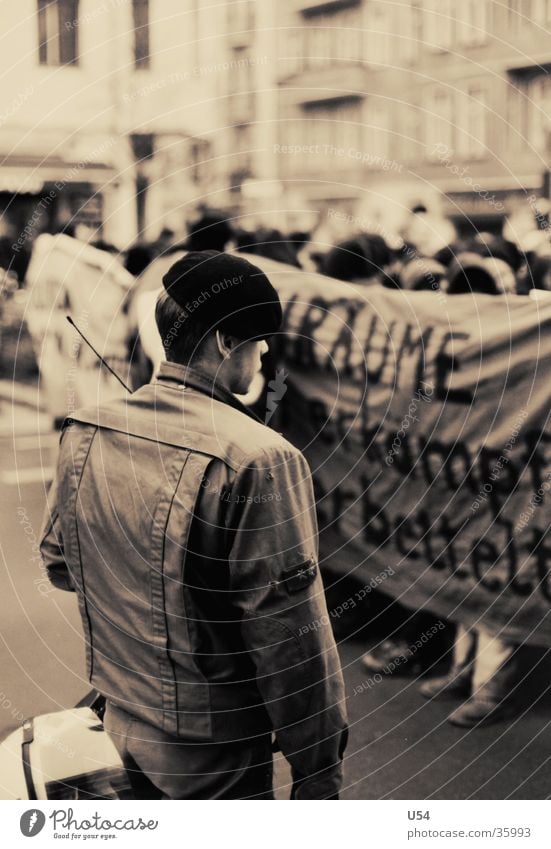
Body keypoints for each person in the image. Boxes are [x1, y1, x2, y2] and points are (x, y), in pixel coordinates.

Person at [40, 250, 348, 800]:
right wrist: (318, 771)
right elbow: (291, 640)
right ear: (228, 343)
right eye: (258, 341)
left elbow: (60, 563)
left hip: (115, 729)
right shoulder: (260, 458)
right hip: (215, 760)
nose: (264, 354)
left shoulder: (83, 431)